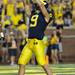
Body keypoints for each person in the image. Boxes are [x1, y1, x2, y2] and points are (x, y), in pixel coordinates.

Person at [18, 0, 53, 75]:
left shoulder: (47, 16)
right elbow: (26, 8)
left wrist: (38, 2)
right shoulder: (33, 13)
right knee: (21, 62)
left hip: (37, 43)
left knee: (43, 64)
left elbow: (41, 6)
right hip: (29, 42)